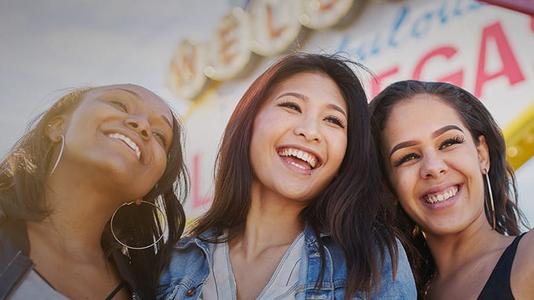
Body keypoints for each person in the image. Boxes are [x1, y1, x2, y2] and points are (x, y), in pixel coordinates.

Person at [157, 53, 416, 299]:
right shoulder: (173, 265)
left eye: (333, 120)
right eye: (292, 106)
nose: (310, 131)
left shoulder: (374, 259)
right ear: (248, 122)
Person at [0, 84, 188, 299]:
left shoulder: (156, 289)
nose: (143, 125)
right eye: (119, 104)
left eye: (159, 135)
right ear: (57, 126)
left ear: (149, 187)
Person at [369, 80, 534, 299]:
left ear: (482, 154)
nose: (434, 168)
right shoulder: (390, 292)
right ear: (387, 186)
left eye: (448, 143)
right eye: (408, 156)